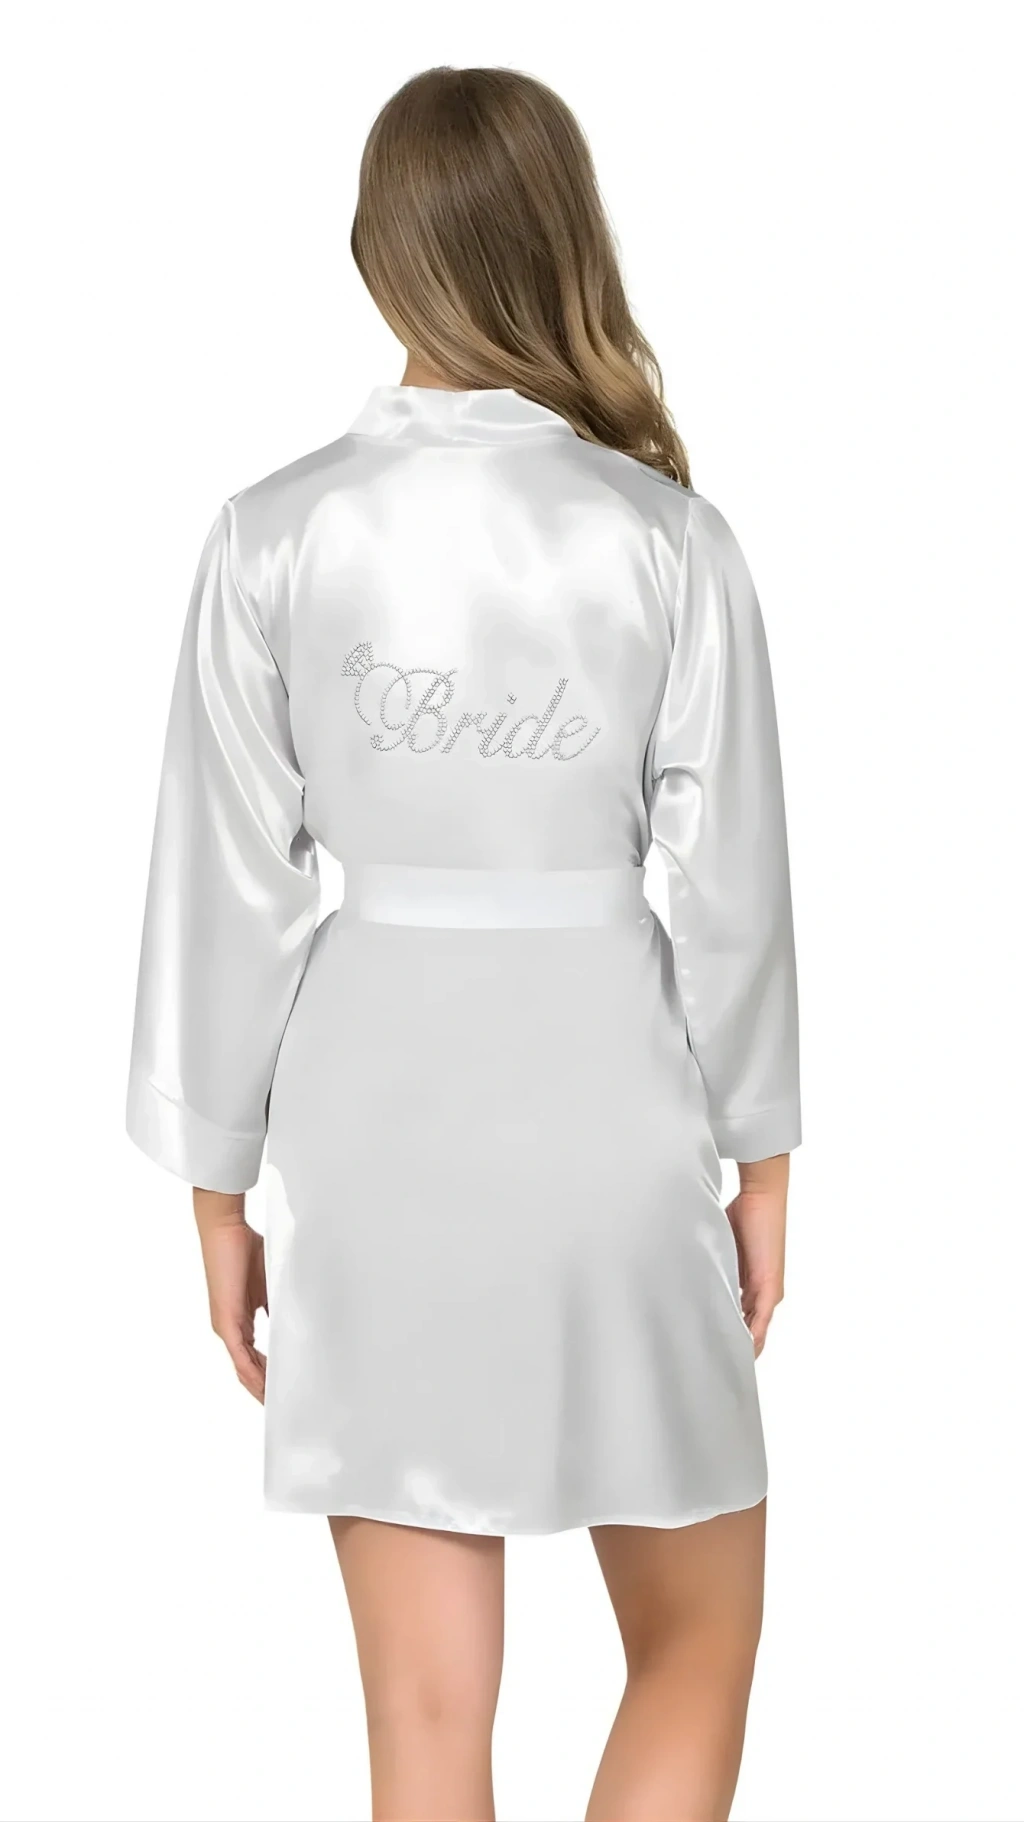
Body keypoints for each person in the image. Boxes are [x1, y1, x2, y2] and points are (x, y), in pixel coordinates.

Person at [127, 63, 800, 1822]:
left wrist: (215, 1192)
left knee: (424, 1719)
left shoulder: (273, 534)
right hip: (609, 1120)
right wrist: (762, 1159)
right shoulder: (667, 540)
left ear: (378, 253)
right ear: (565, 240)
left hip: (374, 1135)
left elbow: (221, 886)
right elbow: (732, 888)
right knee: (698, 1639)